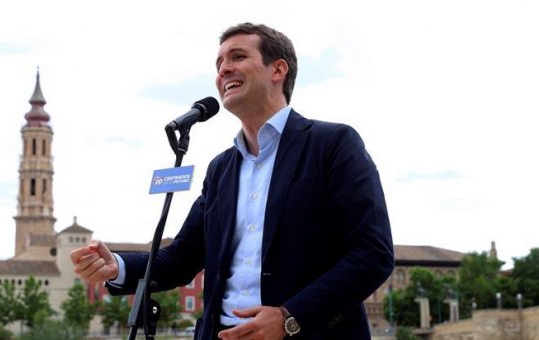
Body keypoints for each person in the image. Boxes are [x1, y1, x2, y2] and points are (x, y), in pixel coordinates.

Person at [71, 22, 394, 339]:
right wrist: (117, 266)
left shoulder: (333, 144)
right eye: (219, 63)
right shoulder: (221, 169)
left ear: (277, 70)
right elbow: (183, 257)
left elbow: (372, 254)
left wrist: (288, 318)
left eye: (237, 57)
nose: (223, 70)